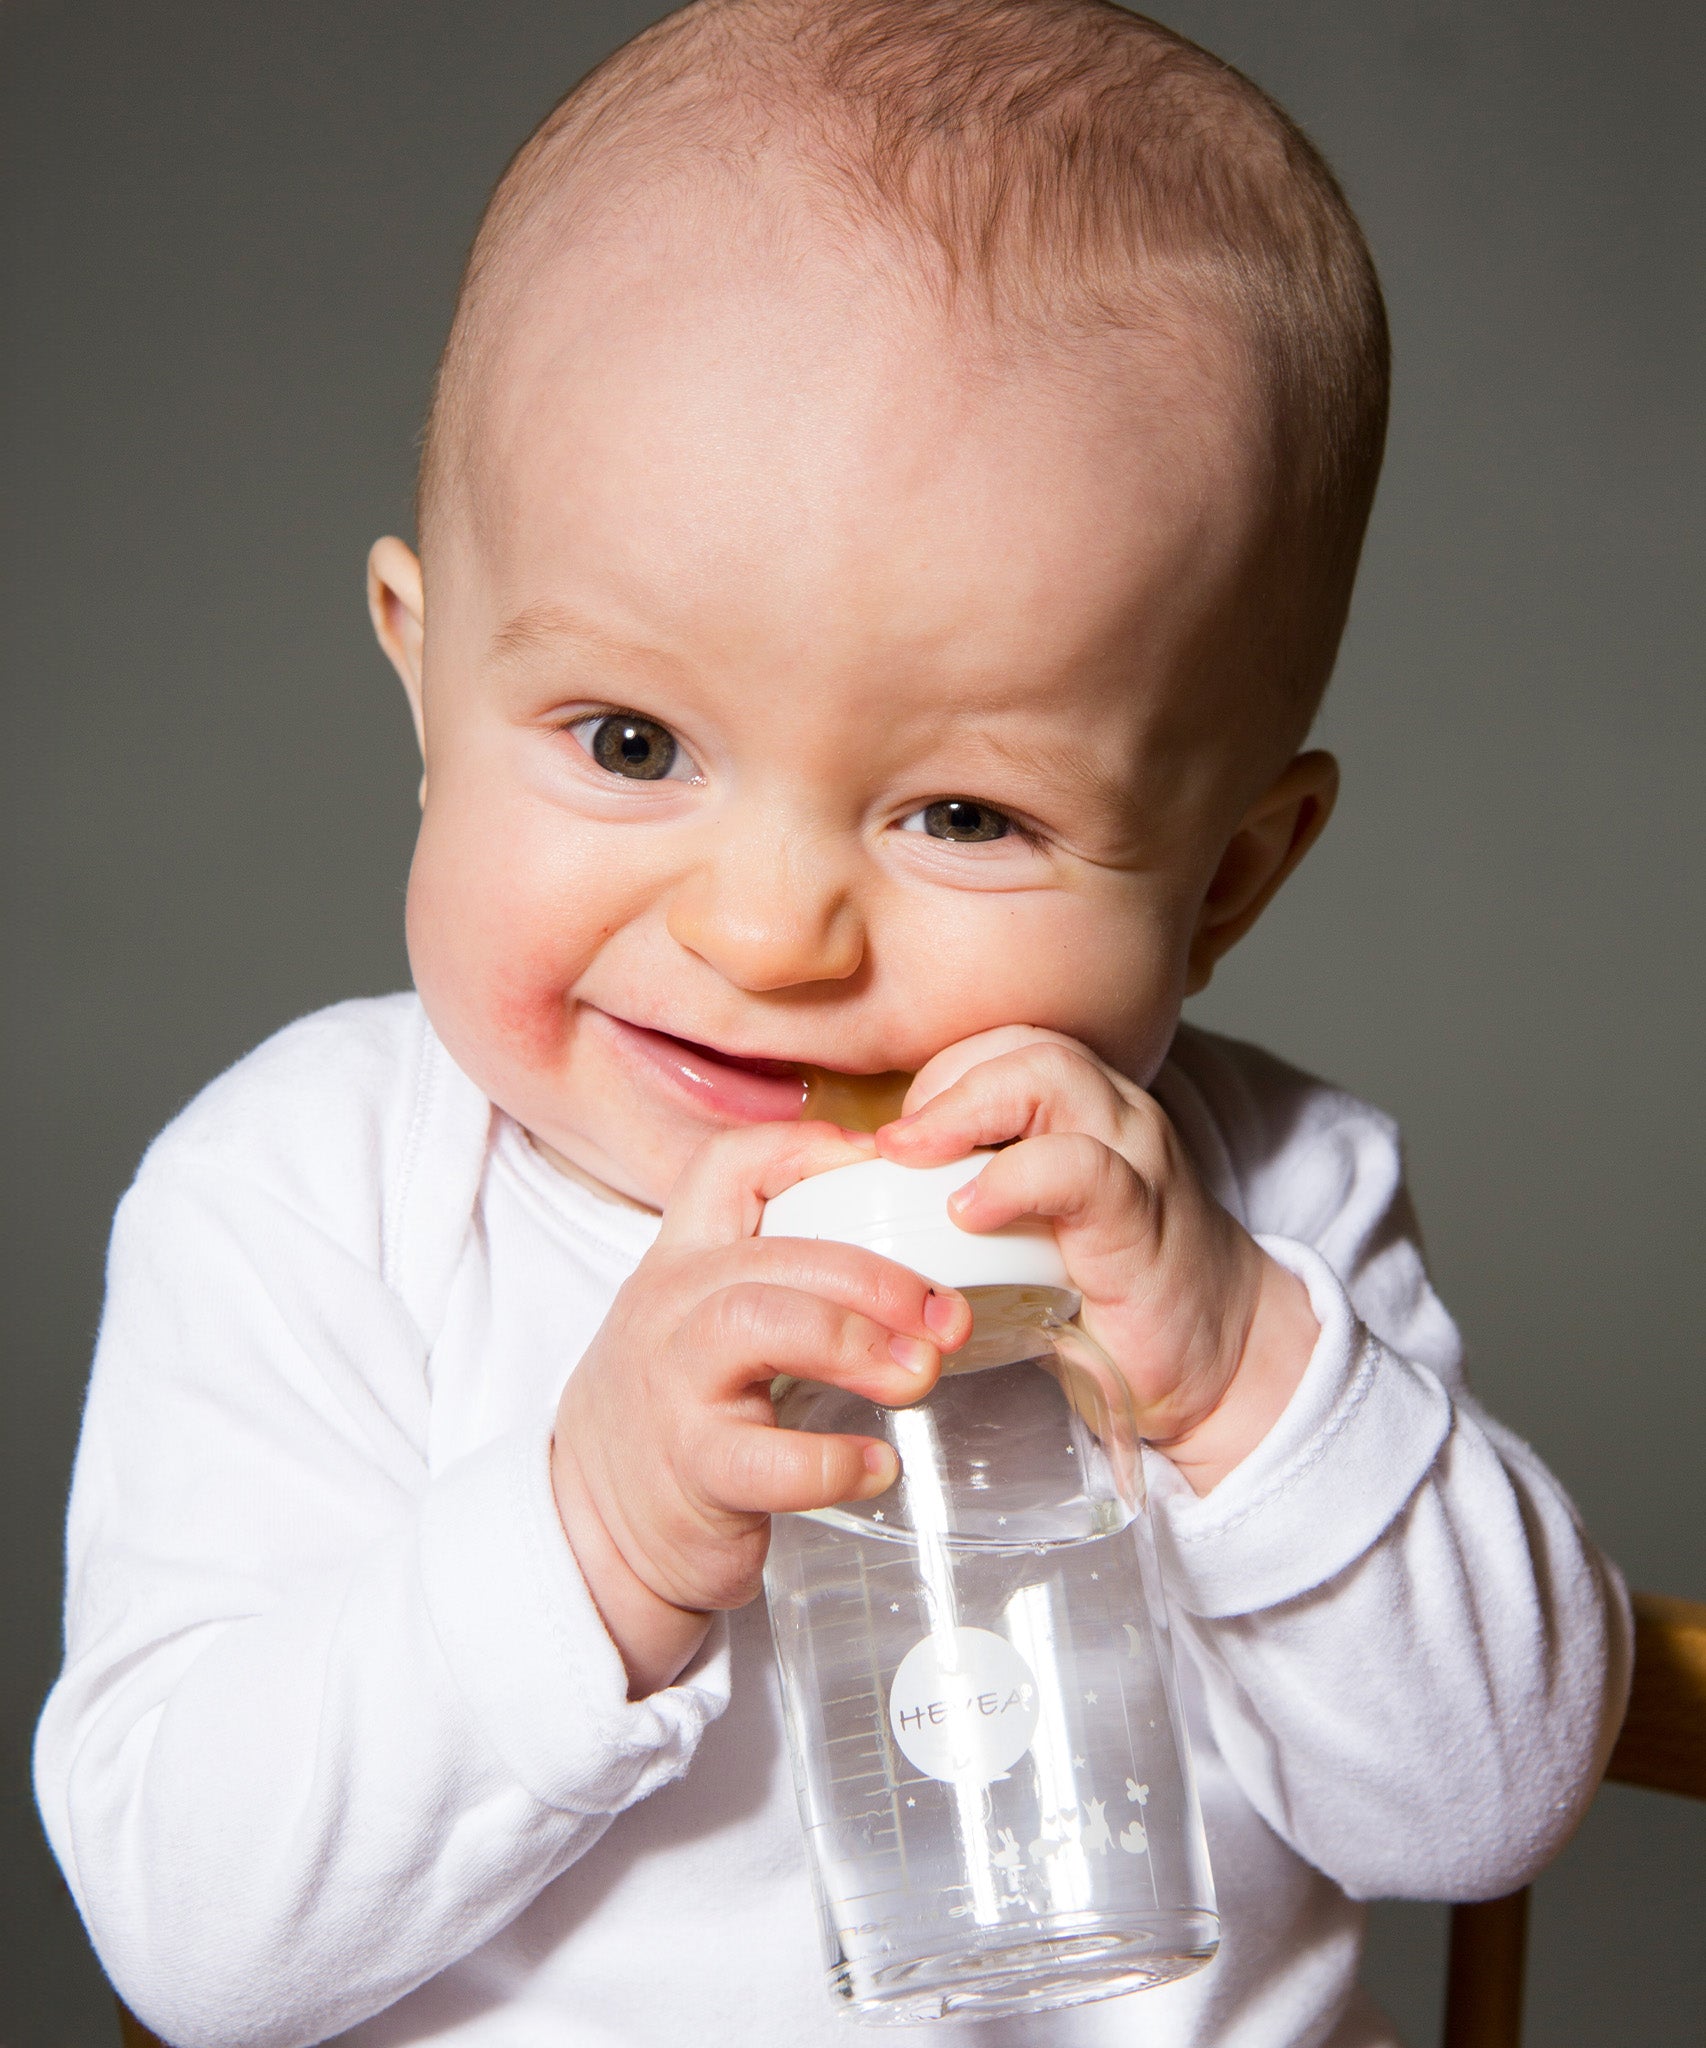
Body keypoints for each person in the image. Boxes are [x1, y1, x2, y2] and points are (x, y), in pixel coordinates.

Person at [34, 3, 1629, 2044]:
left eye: (965, 812)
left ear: (1226, 879)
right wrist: (587, 1530)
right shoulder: (306, 1197)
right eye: (630, 740)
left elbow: (1482, 1805)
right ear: (428, 692)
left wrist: (1237, 1370)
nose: (769, 928)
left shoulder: (1264, 1212)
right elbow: (190, 1920)